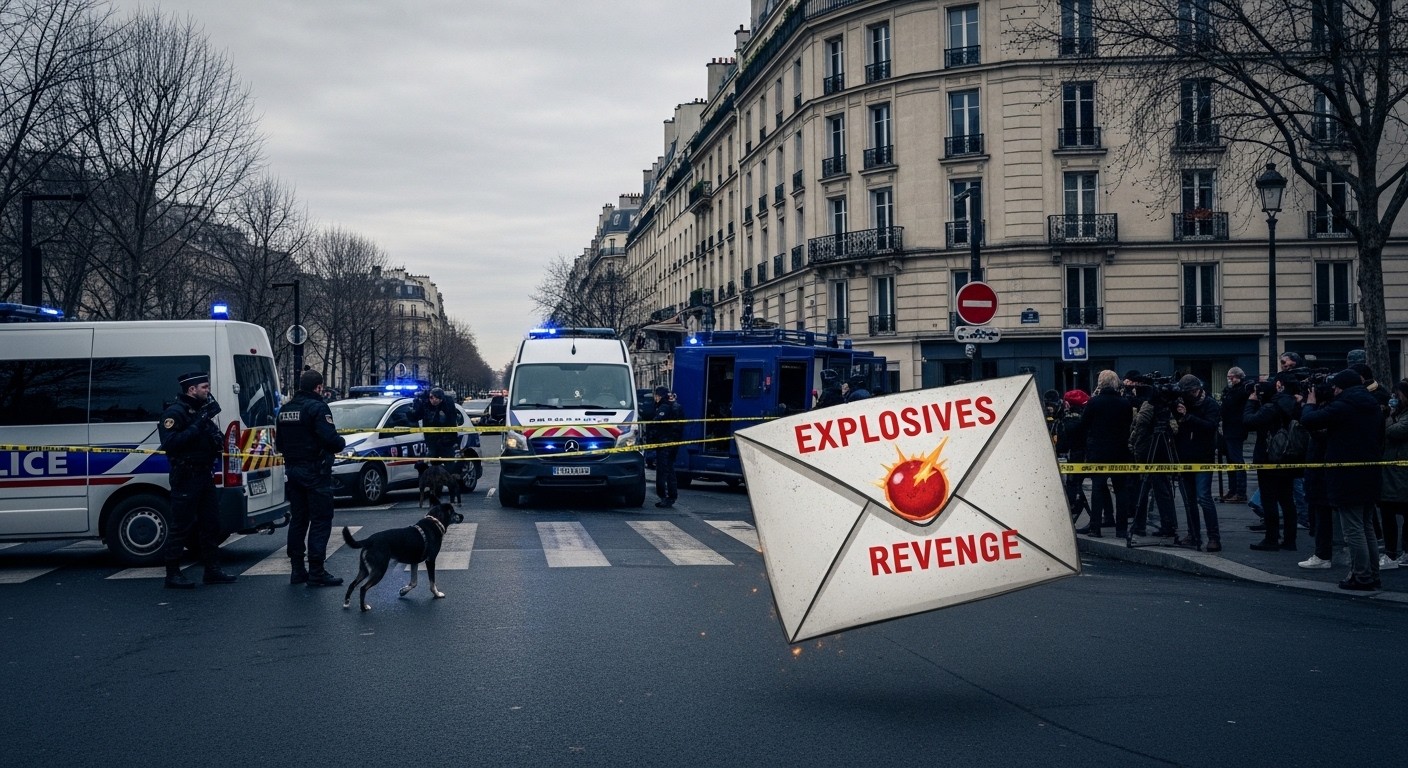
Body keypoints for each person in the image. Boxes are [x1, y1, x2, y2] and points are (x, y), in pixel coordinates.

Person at [1300, 369, 1384, 590]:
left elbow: (1309, 420)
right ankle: (1372, 573)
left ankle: (1361, 575)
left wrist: (1309, 401)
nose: (1333, 391)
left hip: (1347, 474)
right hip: (1370, 471)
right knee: (1367, 527)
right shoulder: (1372, 403)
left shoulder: (1343, 406)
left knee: (1353, 529)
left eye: (1335, 387)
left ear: (1341, 387)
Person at [158, 371, 237, 589]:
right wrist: (197, 425)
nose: (208, 390)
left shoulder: (200, 412)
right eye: (204, 387)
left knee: (211, 524)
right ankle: (172, 574)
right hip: (186, 476)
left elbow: (212, 438)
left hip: (204, 474)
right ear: (192, 389)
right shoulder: (175, 413)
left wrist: (216, 439)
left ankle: (212, 570)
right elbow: (171, 443)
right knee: (181, 526)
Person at [277, 369, 348, 587]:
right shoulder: (317, 407)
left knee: (298, 520)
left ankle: (297, 569)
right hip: (315, 472)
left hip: (293, 471)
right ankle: (317, 571)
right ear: (318, 387)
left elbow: (279, 444)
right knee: (320, 520)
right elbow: (331, 439)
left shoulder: (285, 410)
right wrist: (340, 442)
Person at [1243, 372, 1303, 552]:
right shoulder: (1294, 403)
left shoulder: (1271, 407)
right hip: (1289, 456)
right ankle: (1289, 540)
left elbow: (1248, 421)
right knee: (1287, 500)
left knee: (1269, 500)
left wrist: (1252, 402)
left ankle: (1271, 538)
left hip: (1269, 457)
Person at [1081, 370, 1136, 538]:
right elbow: (1128, 424)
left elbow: (1084, 424)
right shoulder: (1125, 403)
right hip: (1120, 451)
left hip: (1098, 451)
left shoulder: (1094, 402)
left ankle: (1095, 528)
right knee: (1121, 490)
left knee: (1098, 488)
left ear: (1100, 384)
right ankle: (1121, 529)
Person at [1172, 375, 1221, 551]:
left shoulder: (1210, 404)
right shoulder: (1182, 402)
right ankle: (1193, 534)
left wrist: (1188, 416)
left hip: (1203, 458)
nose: (1190, 394)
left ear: (1198, 389)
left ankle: (1213, 537)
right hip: (1185, 457)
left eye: (1192, 391)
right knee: (1189, 500)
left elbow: (1210, 427)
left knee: (1204, 498)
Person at [1378, 379, 1408, 570]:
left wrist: (1387, 417)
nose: (1393, 398)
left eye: (1396, 395)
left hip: (1399, 474)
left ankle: (1394, 553)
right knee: (1389, 515)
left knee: (1395, 515)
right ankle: (1396, 552)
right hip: (1392, 473)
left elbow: (1394, 431)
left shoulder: (1401, 417)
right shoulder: (1398, 414)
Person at [1055, 389, 1090, 526]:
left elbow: (1062, 446)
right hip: (1086, 456)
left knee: (1072, 485)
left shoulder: (1065, 422)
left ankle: (1072, 510)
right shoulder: (1086, 421)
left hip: (1073, 457)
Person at [1219, 367, 1251, 503]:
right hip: (1229, 428)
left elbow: (1230, 405)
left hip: (1235, 429)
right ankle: (1233, 490)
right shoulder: (1232, 391)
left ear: (1238, 377)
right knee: (1231, 461)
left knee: (1236, 460)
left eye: (1231, 377)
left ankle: (1240, 492)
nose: (1229, 380)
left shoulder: (1241, 391)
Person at [649, 385, 684, 508]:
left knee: (663, 471)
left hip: (664, 443)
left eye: (656, 395)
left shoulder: (664, 407)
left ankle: (664, 496)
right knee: (670, 470)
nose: (655, 398)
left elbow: (656, 423)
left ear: (659, 396)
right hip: (673, 443)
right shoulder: (675, 406)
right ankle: (671, 496)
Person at [411, 387, 461, 461]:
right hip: (431, 439)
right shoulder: (425, 404)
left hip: (446, 440)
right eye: (431, 398)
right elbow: (415, 417)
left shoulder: (447, 405)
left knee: (449, 463)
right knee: (433, 462)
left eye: (437, 399)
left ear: (441, 399)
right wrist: (415, 406)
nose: (433, 400)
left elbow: (452, 421)